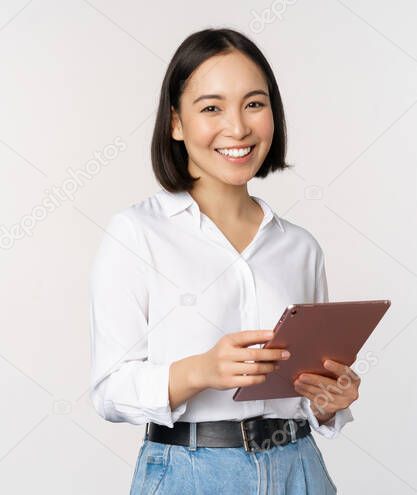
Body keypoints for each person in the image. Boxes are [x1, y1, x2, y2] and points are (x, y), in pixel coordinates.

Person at [88, 28, 358, 494]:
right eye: (212, 108)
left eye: (254, 104)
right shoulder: (137, 233)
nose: (238, 128)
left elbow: (306, 388)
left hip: (300, 469)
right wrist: (200, 371)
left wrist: (329, 400)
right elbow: (109, 390)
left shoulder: (300, 247)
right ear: (176, 123)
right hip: (190, 474)